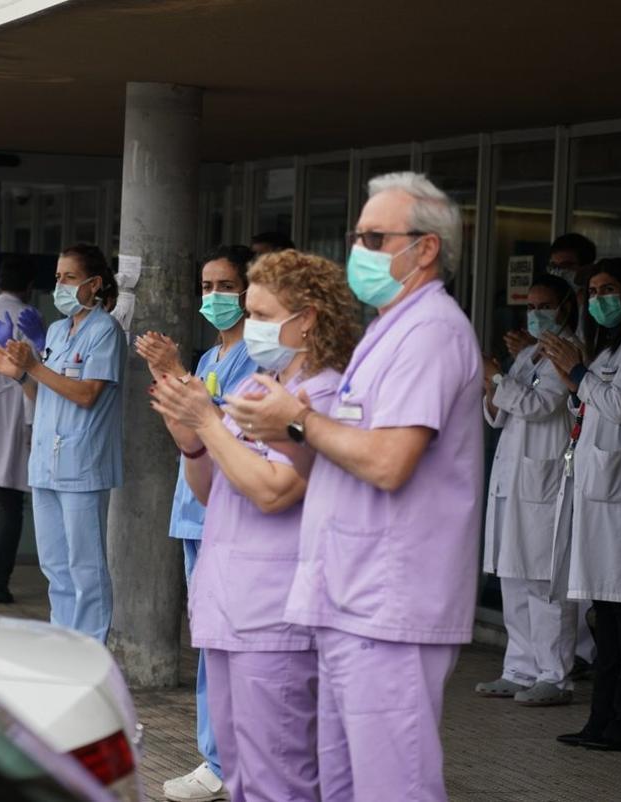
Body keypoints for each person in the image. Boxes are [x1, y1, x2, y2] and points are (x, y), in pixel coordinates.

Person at [226, 172, 481, 801]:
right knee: (342, 787)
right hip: (350, 598)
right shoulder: (387, 332)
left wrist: (296, 420)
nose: (358, 251)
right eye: (357, 236)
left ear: (425, 248)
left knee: (392, 788)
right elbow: (340, 447)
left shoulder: (431, 332)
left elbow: (391, 461)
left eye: (375, 237)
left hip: (388, 606)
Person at [151, 249, 360, 802]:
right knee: (242, 776)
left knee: (280, 779)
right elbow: (210, 488)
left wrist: (207, 422)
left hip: (277, 615)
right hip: (230, 607)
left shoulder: (325, 394)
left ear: (308, 318)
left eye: (264, 317)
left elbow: (274, 490)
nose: (252, 328)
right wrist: (191, 435)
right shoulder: (257, 388)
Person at [137, 245, 259, 802]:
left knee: (229, 645)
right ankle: (218, 756)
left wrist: (175, 375)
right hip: (196, 511)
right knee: (209, 640)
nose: (214, 298)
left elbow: (224, 424)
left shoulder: (254, 358)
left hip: (233, 513)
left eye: (225, 286)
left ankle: (226, 759)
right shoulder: (211, 357)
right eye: (206, 287)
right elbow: (193, 429)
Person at [541, 257, 621, 752]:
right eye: (592, 291)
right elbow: (589, 405)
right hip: (597, 489)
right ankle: (602, 721)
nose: (598, 299)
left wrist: (577, 373)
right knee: (605, 616)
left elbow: (619, 405)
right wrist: (575, 383)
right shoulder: (610, 345)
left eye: (608, 289)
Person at [0, 243, 125, 643]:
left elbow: (86, 394)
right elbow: (44, 395)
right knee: (55, 567)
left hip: (82, 465)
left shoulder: (105, 331)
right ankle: (64, 645)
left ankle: (91, 649)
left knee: (86, 568)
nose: (60, 284)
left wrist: (34, 366)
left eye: (70, 277)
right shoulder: (58, 331)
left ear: (94, 284)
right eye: (58, 277)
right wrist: (21, 376)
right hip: (46, 463)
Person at [476, 275, 581, 706]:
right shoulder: (531, 353)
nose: (535, 313)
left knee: (543, 581)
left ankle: (554, 675)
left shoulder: (567, 351)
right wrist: (493, 385)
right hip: (513, 481)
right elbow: (499, 414)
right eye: (530, 305)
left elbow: (540, 405)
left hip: (544, 480)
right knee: (513, 577)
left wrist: (498, 379)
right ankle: (518, 667)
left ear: (564, 308)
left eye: (544, 305)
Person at [0, 255, 41, 605]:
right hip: (18, 411)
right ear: (28, 286)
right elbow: (41, 367)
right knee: (11, 501)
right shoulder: (31, 319)